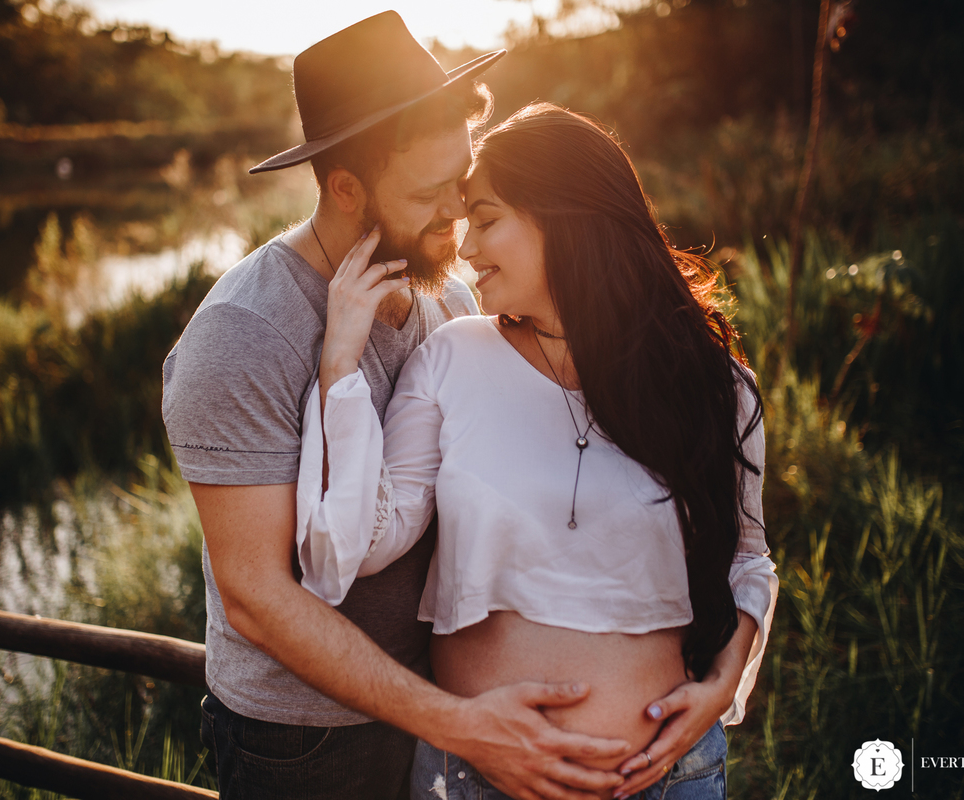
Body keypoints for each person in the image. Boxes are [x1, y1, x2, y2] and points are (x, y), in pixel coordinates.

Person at [162, 14, 637, 800]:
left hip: (443, 713)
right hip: (307, 744)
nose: (459, 209)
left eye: (461, 176)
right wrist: (452, 721)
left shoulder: (449, 293)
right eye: (427, 192)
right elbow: (256, 597)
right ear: (345, 187)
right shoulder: (243, 335)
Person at [296, 104, 778, 800]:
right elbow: (356, 544)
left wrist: (721, 687)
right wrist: (340, 359)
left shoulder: (711, 383)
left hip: (671, 779)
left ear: (567, 219)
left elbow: (747, 555)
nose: (463, 248)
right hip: (480, 782)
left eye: (486, 219)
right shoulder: (453, 358)